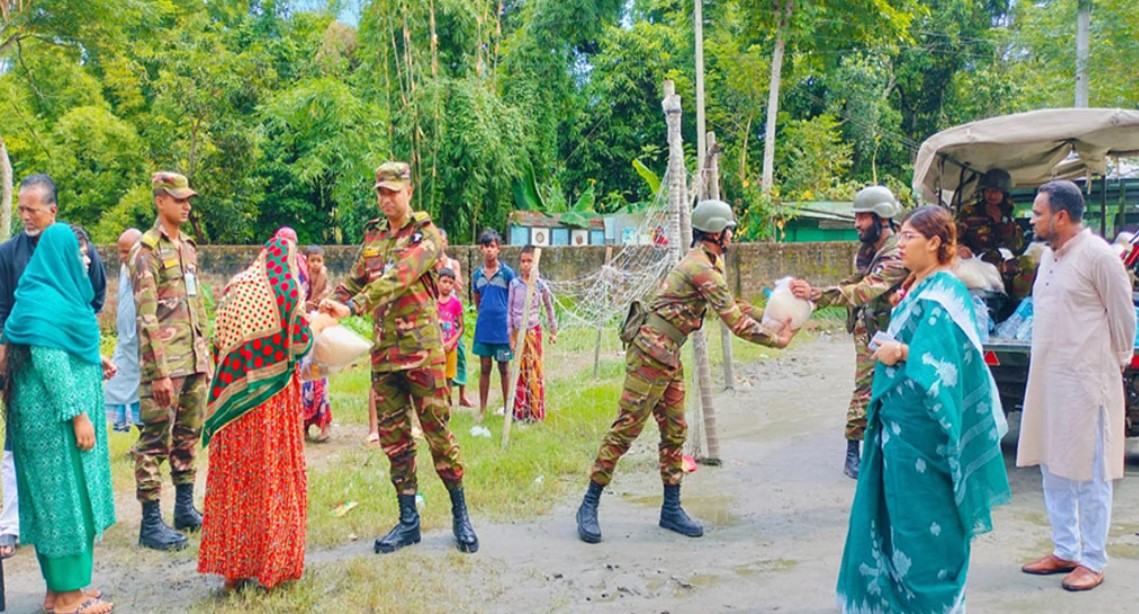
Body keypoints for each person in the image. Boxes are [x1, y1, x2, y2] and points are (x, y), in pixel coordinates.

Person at [575, 200, 796, 544]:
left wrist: (774, 315)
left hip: (668, 354)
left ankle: (671, 509)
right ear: (715, 231)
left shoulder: (708, 264)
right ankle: (588, 504)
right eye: (729, 229)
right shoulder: (701, 268)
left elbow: (732, 304)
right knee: (626, 429)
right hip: (650, 353)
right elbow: (735, 322)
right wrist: (776, 340)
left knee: (676, 430)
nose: (732, 234)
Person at [836, 205, 1011, 613]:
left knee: (924, 526)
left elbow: (950, 361)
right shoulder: (917, 285)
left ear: (935, 243)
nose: (901, 244)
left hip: (924, 436)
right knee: (897, 519)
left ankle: (933, 603)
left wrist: (900, 351)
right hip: (898, 428)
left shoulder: (945, 295)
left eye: (910, 237)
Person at [321, 161, 477, 554]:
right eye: (380, 191)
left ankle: (461, 515)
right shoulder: (373, 237)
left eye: (393, 191)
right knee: (395, 443)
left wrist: (354, 306)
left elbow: (400, 278)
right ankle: (409, 522)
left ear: (409, 191)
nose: (386, 198)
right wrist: (325, 308)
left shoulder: (427, 236)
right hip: (385, 358)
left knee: (439, 435)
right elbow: (354, 280)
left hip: (422, 355)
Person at [1016, 180, 1136, 592]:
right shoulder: (1048, 257)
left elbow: (1124, 322)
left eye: (1038, 212)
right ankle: (1065, 549)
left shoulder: (1099, 257)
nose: (1032, 220)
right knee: (1054, 467)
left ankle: (1093, 560)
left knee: (1090, 473)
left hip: (1088, 383)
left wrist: (1109, 369)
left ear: (1061, 217)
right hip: (1049, 381)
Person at [5, 223, 116, 614]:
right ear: (59, 256)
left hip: (47, 422)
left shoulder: (48, 294)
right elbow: (49, 361)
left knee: (55, 503)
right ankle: (70, 601)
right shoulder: (47, 300)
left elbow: (58, 348)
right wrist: (78, 415)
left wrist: (91, 360)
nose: (85, 259)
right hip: (54, 424)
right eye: (79, 253)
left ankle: (60, 590)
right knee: (65, 504)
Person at [198, 234, 316, 592]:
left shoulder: (237, 284)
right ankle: (272, 569)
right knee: (270, 477)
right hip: (272, 406)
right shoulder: (286, 289)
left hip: (233, 405)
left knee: (235, 482)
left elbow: (219, 342)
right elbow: (300, 341)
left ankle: (233, 572)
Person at [0, 175, 108, 561]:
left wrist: (84, 347)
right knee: (18, 454)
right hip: (27, 372)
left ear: (52, 210)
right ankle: (10, 528)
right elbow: (3, 312)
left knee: (66, 473)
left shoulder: (72, 244)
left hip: (68, 363)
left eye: (32, 209)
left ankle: (66, 566)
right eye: (21, 209)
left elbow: (92, 297)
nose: (25, 216)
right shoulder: (9, 254)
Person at [790, 186, 908, 479]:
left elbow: (866, 289)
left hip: (893, 333)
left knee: (894, 391)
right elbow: (855, 281)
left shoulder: (896, 254)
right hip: (870, 331)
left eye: (862, 218)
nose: (856, 224)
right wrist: (814, 298)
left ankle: (885, 451)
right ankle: (854, 454)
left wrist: (819, 294)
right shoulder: (868, 250)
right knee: (865, 389)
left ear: (881, 218)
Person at [131, 171, 211, 551]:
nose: (187, 205)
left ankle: (184, 508)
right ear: (160, 201)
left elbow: (196, 306)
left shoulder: (189, 246)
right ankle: (150, 522)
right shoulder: (146, 251)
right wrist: (159, 374)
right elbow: (146, 319)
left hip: (193, 361)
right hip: (165, 367)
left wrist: (205, 355)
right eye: (179, 199)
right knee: (153, 442)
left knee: (187, 437)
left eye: (188, 199)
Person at [506, 245, 557, 422]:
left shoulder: (540, 285)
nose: (526, 265)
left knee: (535, 371)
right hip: (518, 333)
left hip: (534, 332)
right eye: (523, 261)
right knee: (520, 371)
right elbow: (509, 312)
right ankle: (520, 412)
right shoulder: (514, 284)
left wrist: (553, 331)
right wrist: (510, 336)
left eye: (530, 261)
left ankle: (536, 413)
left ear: (535, 263)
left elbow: (549, 309)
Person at [956, 168, 1026, 294]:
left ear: (1004, 193)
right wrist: (960, 248)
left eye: (996, 191)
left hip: (1002, 262)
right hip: (975, 260)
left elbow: (1017, 245)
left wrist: (1001, 222)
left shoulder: (1008, 215)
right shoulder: (970, 213)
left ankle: (1013, 305)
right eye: (988, 191)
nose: (991, 195)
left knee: (1028, 265)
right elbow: (953, 237)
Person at [471, 229, 515, 420]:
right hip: (484, 330)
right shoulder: (477, 275)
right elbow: (477, 300)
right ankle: (482, 410)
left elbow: (513, 299)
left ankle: (508, 408)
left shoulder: (507, 273)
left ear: (498, 249)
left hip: (502, 331)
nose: (489, 250)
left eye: (492, 246)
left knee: (504, 368)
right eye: (486, 246)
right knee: (485, 368)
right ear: (481, 249)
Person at [104, 228, 143, 433]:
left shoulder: (147, 269)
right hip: (124, 345)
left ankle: (148, 443)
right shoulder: (124, 269)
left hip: (142, 347)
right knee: (117, 388)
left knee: (144, 399)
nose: (121, 257)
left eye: (126, 252)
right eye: (120, 251)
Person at [301, 245, 333, 443]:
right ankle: (303, 425)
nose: (315, 264)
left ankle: (325, 425)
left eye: (318, 260)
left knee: (320, 377)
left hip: (319, 331)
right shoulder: (301, 279)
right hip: (303, 331)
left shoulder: (326, 283)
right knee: (304, 380)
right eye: (312, 260)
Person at [438, 229, 473, 407]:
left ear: (446, 243)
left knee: (459, 354)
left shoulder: (454, 263)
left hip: (452, 312)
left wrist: (452, 279)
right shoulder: (428, 263)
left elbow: (459, 287)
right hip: (436, 310)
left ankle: (462, 395)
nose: (440, 244)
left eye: (442, 241)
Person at [437, 268, 464, 406]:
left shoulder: (455, 303)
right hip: (436, 346)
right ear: (438, 281)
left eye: (450, 282)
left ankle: (448, 403)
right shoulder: (433, 302)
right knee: (436, 376)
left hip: (450, 347)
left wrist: (452, 342)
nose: (447, 285)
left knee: (448, 376)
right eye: (444, 281)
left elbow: (461, 327)